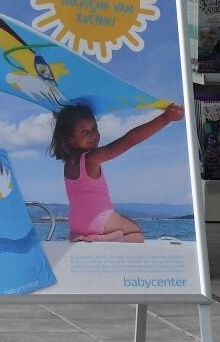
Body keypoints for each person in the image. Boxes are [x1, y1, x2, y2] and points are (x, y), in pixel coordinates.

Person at [50, 102, 182, 243]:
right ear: (70, 139)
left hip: (76, 224)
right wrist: (166, 118)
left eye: (94, 128)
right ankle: (107, 237)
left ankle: (96, 235)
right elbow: (130, 140)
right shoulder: (91, 159)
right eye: (84, 132)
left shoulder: (69, 163)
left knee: (124, 220)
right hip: (99, 221)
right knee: (137, 234)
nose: (93, 135)